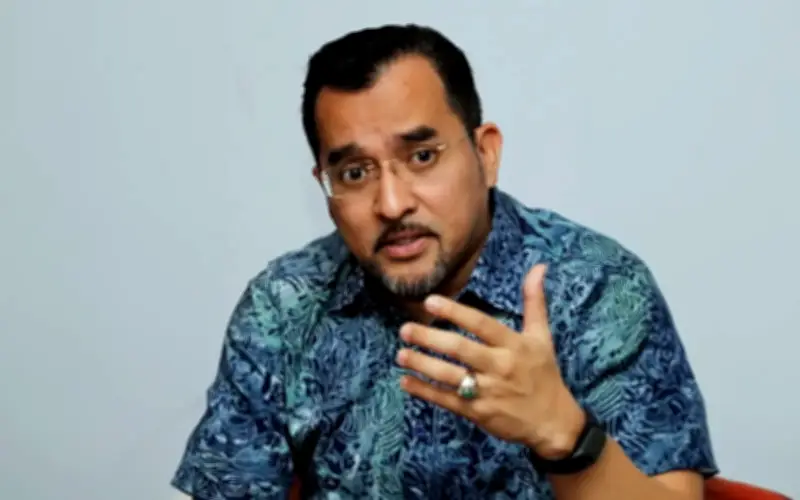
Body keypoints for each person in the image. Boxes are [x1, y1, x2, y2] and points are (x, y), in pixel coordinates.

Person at [171, 24, 717, 499]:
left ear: (486, 154)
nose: (391, 204)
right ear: (325, 186)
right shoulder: (285, 305)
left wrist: (565, 436)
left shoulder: (597, 288)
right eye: (355, 173)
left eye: (422, 156)